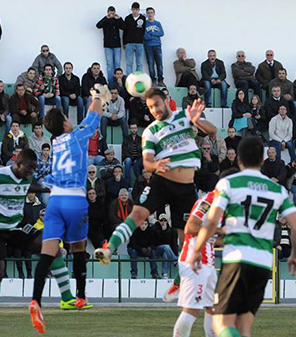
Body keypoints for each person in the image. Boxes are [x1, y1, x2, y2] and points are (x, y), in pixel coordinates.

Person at [190, 136, 296, 337]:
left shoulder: (229, 183)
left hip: (237, 258)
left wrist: (197, 250)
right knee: (244, 328)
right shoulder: (277, 189)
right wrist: (295, 256)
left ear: (239, 159)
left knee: (220, 322)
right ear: (261, 160)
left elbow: (211, 222)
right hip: (263, 263)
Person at [95, 89, 217, 267]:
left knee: (185, 238)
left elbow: (213, 131)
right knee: (137, 214)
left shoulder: (185, 116)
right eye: (150, 107)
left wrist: (197, 119)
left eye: (156, 105)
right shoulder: (150, 131)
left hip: (185, 188)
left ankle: (178, 282)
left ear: (167, 100)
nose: (154, 110)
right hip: (162, 182)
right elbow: (147, 162)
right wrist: (155, 166)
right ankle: (109, 248)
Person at [0, 149, 72, 337]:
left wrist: (47, 189)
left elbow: (27, 186)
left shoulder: (25, 177)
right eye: (29, 169)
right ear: (18, 163)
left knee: (51, 245)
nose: (30, 173)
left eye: (33, 170)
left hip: (16, 227)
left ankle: (67, 298)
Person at [29, 89, 109, 333]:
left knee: (48, 253)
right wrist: (98, 96)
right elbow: (93, 118)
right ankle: (81, 296)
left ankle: (36, 300)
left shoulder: (55, 142)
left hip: (54, 201)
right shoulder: (75, 137)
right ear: (65, 122)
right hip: (75, 199)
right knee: (77, 248)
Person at [173, 191, 219, 337]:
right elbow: (191, 228)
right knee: (192, 309)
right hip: (195, 262)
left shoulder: (221, 204)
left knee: (213, 307)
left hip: (208, 262)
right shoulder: (208, 202)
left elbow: (210, 237)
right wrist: (220, 230)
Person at [96, 6, 126, 79]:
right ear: (108, 12)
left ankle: (119, 80)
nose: (111, 14)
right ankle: (110, 81)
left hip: (117, 45)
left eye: (113, 12)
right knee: (109, 64)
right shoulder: (105, 20)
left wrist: (119, 19)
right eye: (110, 12)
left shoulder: (117, 21)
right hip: (107, 45)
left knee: (117, 64)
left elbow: (124, 27)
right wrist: (106, 18)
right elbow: (98, 25)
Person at [144, 7, 165, 87]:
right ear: (146, 14)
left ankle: (160, 80)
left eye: (151, 12)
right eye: (148, 13)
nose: (150, 14)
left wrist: (152, 34)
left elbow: (162, 33)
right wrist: (155, 36)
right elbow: (145, 36)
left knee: (159, 64)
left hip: (157, 45)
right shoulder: (145, 24)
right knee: (151, 64)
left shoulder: (157, 23)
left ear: (154, 13)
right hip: (148, 46)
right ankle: (153, 80)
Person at [123, 2, 146, 75]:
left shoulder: (142, 18)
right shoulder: (127, 18)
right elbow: (125, 31)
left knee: (139, 63)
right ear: (131, 10)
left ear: (139, 10)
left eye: (136, 9)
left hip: (139, 43)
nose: (135, 11)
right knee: (129, 63)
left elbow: (143, 30)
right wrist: (124, 42)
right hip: (129, 43)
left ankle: (138, 78)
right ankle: (129, 78)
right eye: (133, 9)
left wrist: (142, 41)